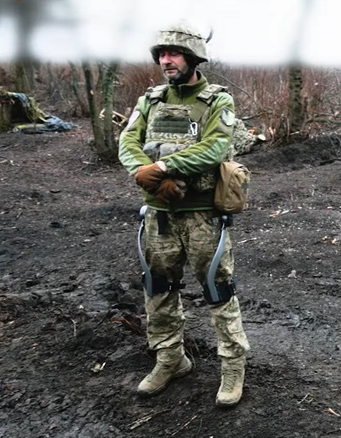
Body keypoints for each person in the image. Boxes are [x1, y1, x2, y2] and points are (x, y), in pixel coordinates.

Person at [118, 22, 250, 406]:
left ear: (193, 57)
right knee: (158, 289)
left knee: (217, 289)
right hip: (158, 216)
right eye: (160, 54)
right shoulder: (151, 100)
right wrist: (147, 177)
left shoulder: (217, 101)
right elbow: (128, 141)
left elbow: (212, 149)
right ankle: (170, 358)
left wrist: (159, 170)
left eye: (173, 53)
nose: (165, 60)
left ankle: (232, 366)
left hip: (202, 217)